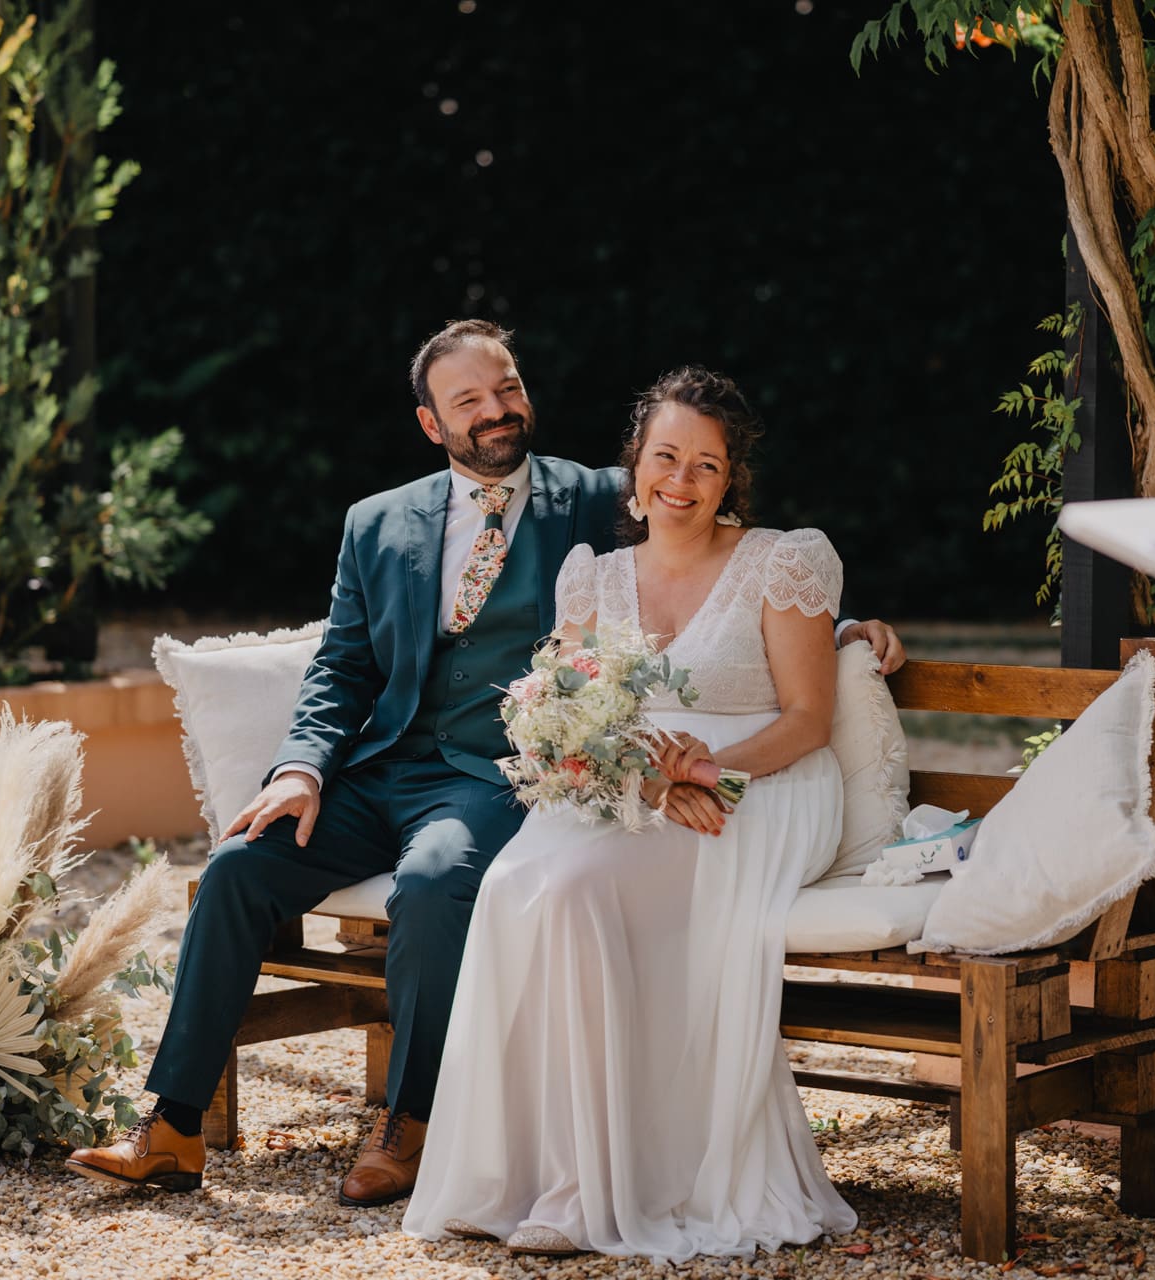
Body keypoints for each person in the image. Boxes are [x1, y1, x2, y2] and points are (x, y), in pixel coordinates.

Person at [65, 322, 905, 1203]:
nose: (498, 411)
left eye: (507, 388)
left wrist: (848, 634)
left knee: (431, 886)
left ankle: (409, 1124)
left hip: (495, 780)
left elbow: (711, 553)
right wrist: (301, 770)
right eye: (469, 400)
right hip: (377, 773)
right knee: (238, 866)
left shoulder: (596, 498)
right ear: (432, 423)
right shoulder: (376, 523)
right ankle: (171, 1126)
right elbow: (344, 666)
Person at [405, 367, 861, 1260]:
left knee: (577, 893)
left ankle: (592, 1189)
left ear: (731, 479)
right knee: (511, 885)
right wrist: (638, 779)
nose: (681, 483)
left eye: (705, 465)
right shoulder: (596, 576)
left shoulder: (783, 559)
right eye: (665, 458)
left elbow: (809, 719)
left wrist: (712, 771)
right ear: (634, 467)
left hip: (761, 789)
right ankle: (507, 1175)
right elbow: (567, 704)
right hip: (629, 785)